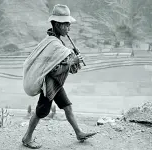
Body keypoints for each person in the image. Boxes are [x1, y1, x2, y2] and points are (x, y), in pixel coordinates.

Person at [22, 4, 97, 149]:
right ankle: (27, 137)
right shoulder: (54, 45)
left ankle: (79, 133)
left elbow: (67, 68)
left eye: (69, 24)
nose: (69, 28)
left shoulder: (56, 42)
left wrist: (73, 58)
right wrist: (72, 61)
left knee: (67, 107)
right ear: (57, 24)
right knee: (40, 112)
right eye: (66, 24)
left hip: (56, 84)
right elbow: (54, 71)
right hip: (49, 86)